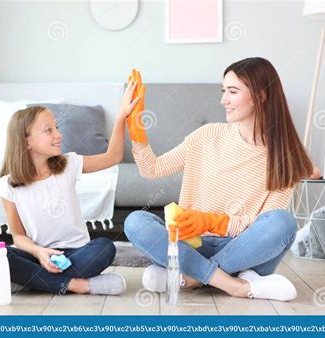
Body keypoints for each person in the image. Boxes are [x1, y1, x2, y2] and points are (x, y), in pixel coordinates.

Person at [124, 60, 314, 301]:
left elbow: (263, 225)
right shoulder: (207, 135)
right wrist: (137, 129)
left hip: (242, 250)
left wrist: (211, 221)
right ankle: (234, 283)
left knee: (283, 222)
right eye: (223, 91)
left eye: (232, 92)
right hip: (193, 246)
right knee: (136, 221)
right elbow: (153, 169)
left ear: (261, 96)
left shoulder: (286, 157)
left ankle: (190, 278)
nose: (223, 100)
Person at [0, 80, 140, 295]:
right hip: (40, 255)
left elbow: (113, 157)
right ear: (26, 142)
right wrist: (39, 252)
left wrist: (120, 117)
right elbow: (18, 236)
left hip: (77, 253)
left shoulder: (69, 164)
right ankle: (79, 285)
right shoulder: (9, 185)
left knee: (105, 248)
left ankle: (34, 280)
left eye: (57, 127)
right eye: (48, 130)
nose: (58, 134)